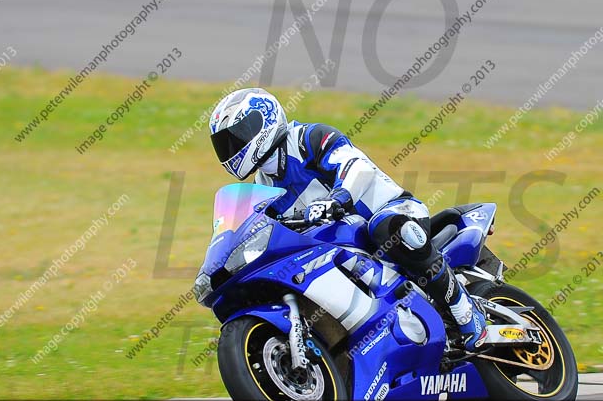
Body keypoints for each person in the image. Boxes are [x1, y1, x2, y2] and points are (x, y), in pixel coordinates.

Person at [208, 88, 488, 351]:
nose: (233, 147)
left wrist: (338, 198)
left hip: (393, 212)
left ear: (264, 120)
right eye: (225, 144)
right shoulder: (263, 187)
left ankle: (466, 312)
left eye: (237, 136)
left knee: (385, 228)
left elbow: (357, 167)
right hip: (344, 243)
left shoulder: (307, 139)